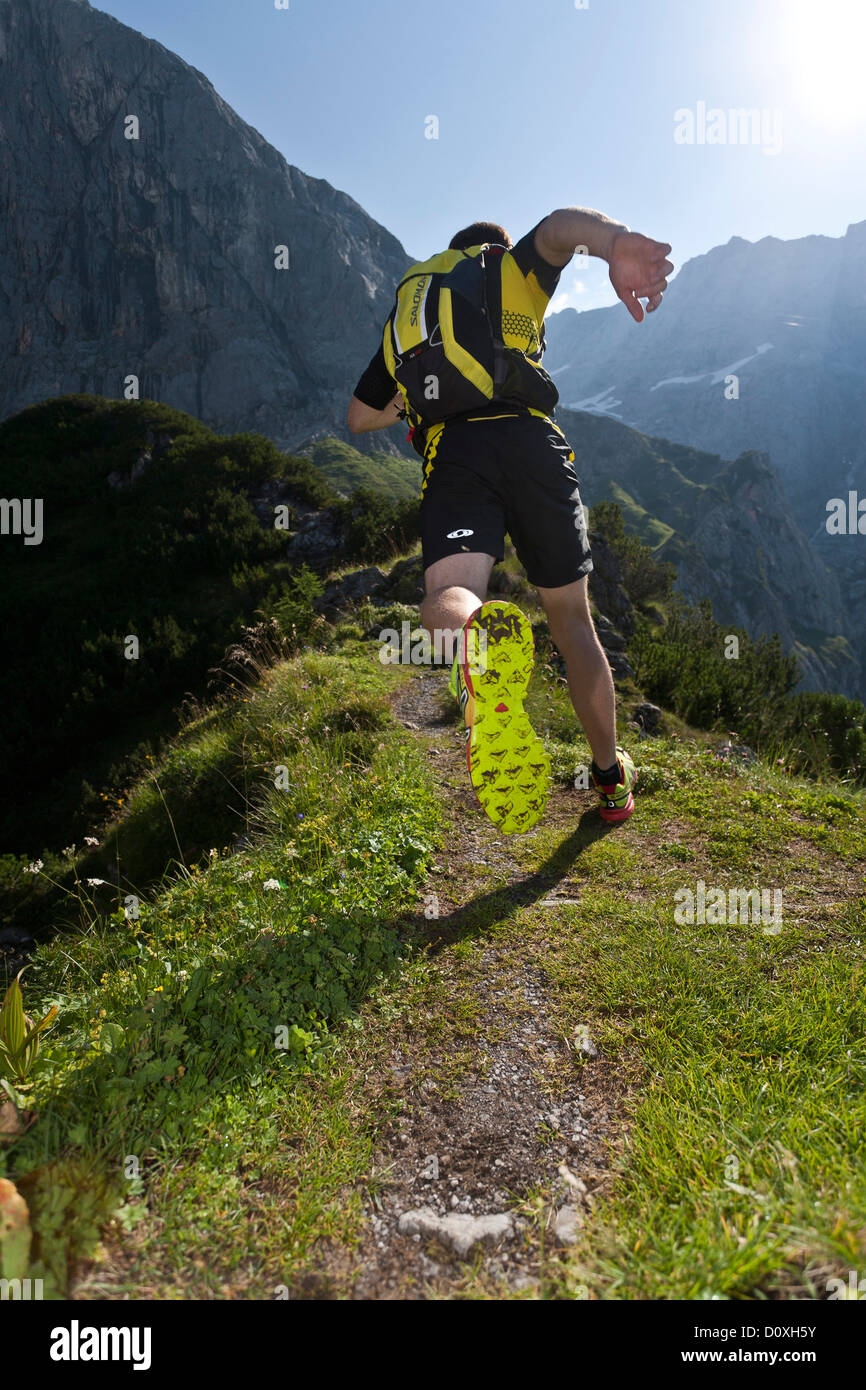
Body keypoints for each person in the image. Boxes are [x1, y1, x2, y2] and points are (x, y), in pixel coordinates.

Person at [348, 208, 673, 831]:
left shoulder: (411, 317)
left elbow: (358, 418)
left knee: (450, 591)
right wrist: (615, 245)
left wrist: (416, 402)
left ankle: (476, 650)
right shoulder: (506, 271)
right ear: (492, 251)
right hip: (531, 443)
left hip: (456, 453)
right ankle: (609, 783)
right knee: (573, 621)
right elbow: (556, 228)